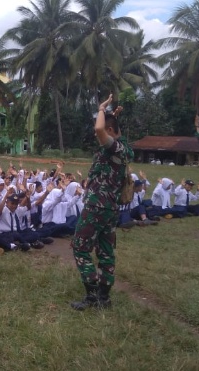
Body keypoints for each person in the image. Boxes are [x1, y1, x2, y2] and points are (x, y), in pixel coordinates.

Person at [70, 94, 133, 311]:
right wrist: (111, 115)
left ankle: (92, 295)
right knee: (105, 251)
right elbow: (106, 130)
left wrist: (101, 108)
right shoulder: (122, 147)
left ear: (111, 132)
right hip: (110, 208)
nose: (99, 134)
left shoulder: (114, 147)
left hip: (97, 206)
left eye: (105, 130)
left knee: (80, 247)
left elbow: (99, 130)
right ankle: (104, 297)